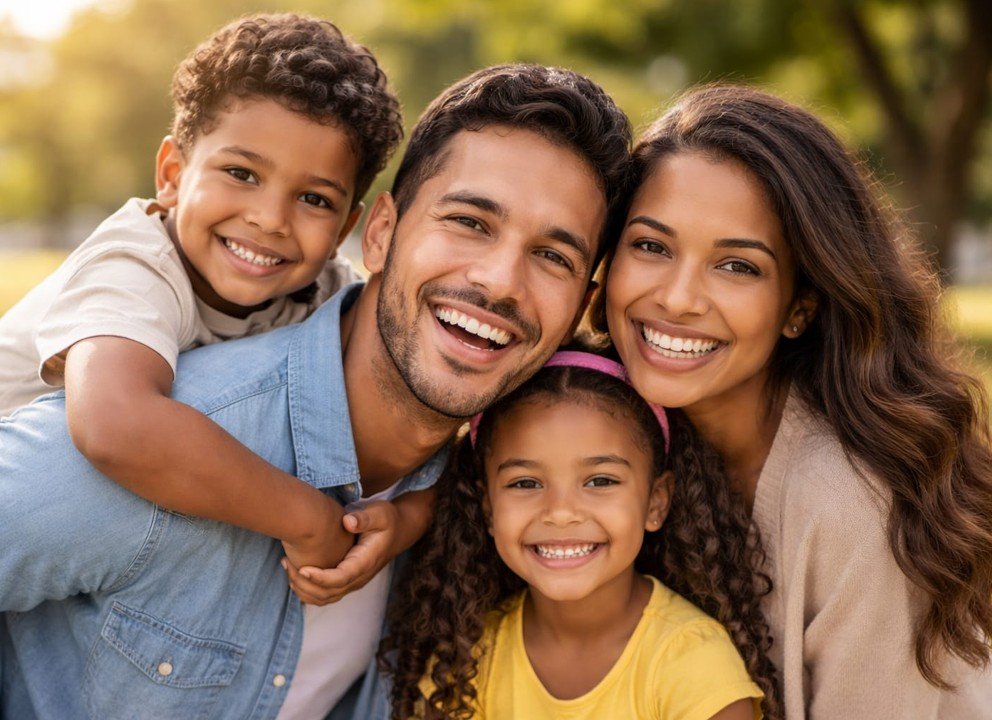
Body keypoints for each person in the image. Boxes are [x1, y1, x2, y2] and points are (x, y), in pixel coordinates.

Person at [0, 63, 632, 720]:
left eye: (553, 256)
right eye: (470, 221)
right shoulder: (174, 430)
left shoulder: (495, 507)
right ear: (382, 234)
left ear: (581, 307)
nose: (502, 281)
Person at [601, 84, 992, 717]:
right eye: (651, 246)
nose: (676, 298)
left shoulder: (847, 504)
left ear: (799, 308)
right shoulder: (608, 423)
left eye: (738, 267)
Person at [0, 13, 424, 574]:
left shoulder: (325, 291)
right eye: (242, 174)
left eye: (314, 200)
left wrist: (406, 520)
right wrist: (306, 518)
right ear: (173, 174)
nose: (270, 219)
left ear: (346, 228)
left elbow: (417, 396)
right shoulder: (133, 262)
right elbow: (115, 424)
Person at [378, 350, 774, 719]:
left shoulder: (693, 662)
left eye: (600, 480)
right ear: (488, 509)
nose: (561, 512)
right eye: (525, 483)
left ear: (656, 502)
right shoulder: (466, 658)